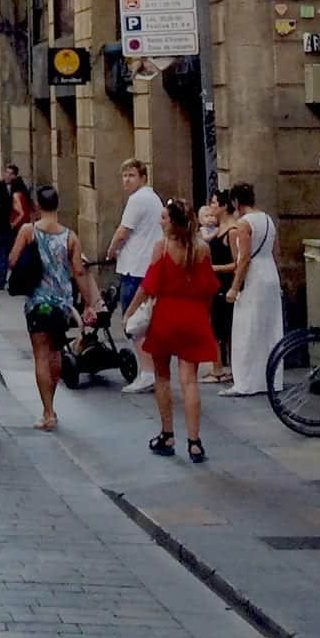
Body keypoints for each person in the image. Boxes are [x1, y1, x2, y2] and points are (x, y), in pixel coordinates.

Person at [124, 198, 221, 462]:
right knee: (189, 380)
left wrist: (130, 311)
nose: (160, 221)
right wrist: (205, 316)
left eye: (164, 217)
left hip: (166, 316)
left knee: (162, 377)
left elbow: (149, 285)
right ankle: (195, 442)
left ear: (173, 222)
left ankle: (167, 434)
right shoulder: (202, 249)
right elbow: (209, 288)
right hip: (193, 316)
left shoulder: (162, 248)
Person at [11, 184, 98, 432]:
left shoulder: (28, 231)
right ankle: (52, 402)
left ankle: (47, 411)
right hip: (62, 304)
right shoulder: (70, 236)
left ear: (37, 205)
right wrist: (89, 304)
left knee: (40, 354)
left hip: (37, 303)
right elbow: (79, 272)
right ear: (57, 205)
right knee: (56, 351)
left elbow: (12, 259)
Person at [106, 158, 163, 394]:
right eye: (124, 176)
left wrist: (110, 250)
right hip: (146, 266)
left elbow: (122, 232)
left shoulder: (137, 200)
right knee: (146, 322)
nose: (126, 180)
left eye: (131, 175)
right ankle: (151, 371)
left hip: (135, 268)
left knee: (133, 323)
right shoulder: (153, 198)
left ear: (142, 178)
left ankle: (147, 373)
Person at [225, 181, 284, 396]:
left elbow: (244, 259)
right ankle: (271, 378)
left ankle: (246, 381)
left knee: (246, 329)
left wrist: (234, 287)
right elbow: (276, 252)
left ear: (236, 201)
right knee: (270, 327)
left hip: (254, 278)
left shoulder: (243, 224)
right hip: (270, 272)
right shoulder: (268, 219)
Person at [199, 194, 236, 384]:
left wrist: (214, 268)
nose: (211, 206)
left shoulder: (230, 231)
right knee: (219, 327)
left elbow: (236, 263)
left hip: (224, 283)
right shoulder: (218, 229)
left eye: (214, 203)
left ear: (223, 206)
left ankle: (219, 368)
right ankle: (220, 366)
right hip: (216, 283)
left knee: (219, 327)